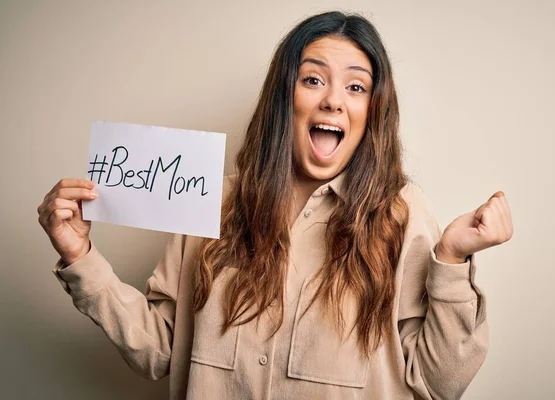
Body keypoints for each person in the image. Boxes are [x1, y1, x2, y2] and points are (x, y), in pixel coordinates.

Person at [37, 11, 513, 400]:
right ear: (284, 96)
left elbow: (439, 382)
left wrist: (450, 260)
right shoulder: (212, 201)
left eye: (355, 87)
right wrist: (82, 258)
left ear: (373, 111)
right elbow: (162, 351)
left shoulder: (401, 213)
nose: (332, 101)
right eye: (312, 80)